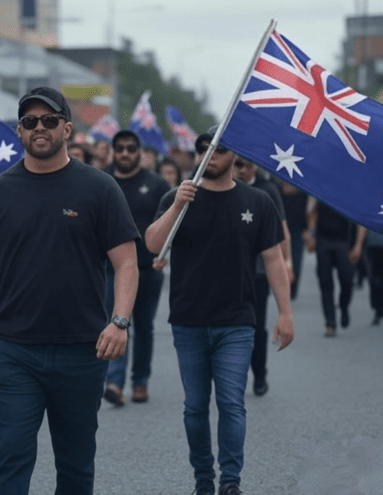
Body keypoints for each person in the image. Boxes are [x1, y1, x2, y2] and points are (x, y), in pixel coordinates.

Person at [0, 87, 139, 495]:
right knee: (10, 461)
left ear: (67, 128)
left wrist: (119, 321)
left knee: (76, 467)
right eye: (29, 122)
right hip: (14, 351)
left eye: (48, 120)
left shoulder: (99, 188)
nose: (38, 128)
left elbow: (126, 263)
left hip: (83, 350)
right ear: (19, 132)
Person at [145, 127, 294, 495]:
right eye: (202, 149)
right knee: (195, 407)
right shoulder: (176, 196)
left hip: (237, 321)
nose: (208, 156)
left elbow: (274, 259)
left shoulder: (258, 201)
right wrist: (178, 204)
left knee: (231, 403)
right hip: (188, 319)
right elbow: (152, 244)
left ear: (235, 157)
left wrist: (285, 313)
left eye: (218, 150)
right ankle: (203, 480)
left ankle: (230, 480)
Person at [103, 130, 170, 405]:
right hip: (111, 269)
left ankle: (140, 381)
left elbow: (171, 224)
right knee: (116, 322)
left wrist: (166, 252)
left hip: (148, 268)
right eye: (120, 149)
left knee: (144, 327)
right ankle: (115, 383)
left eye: (131, 148)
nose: (126, 154)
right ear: (113, 151)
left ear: (140, 152)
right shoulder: (102, 182)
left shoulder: (157, 185)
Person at [233, 155, 292, 397]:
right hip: (228, 273)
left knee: (256, 327)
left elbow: (282, 229)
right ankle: (235, 377)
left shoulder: (267, 190)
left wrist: (288, 262)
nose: (242, 170)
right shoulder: (226, 189)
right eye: (237, 165)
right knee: (231, 329)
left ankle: (260, 374)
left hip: (257, 271)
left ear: (254, 165)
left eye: (246, 165)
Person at [304, 198, 366, 337]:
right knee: (325, 282)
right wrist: (311, 234)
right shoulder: (321, 189)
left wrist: (358, 245)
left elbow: (361, 219)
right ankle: (330, 323)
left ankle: (343, 306)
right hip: (323, 240)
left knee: (347, 281)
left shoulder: (349, 192)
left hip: (344, 242)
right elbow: (311, 211)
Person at [277, 181, 308, 299]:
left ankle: (292, 287)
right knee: (280, 259)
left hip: (297, 229)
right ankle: (283, 286)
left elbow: (306, 210)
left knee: (296, 260)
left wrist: (307, 230)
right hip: (281, 229)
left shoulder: (302, 189)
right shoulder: (278, 189)